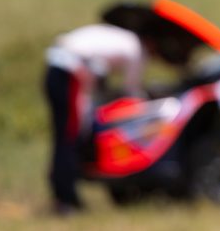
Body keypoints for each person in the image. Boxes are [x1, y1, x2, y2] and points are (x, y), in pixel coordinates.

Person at [44, 23, 146, 214]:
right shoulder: (135, 48)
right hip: (69, 72)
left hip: (56, 68)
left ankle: (67, 196)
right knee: (70, 137)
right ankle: (66, 200)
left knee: (65, 136)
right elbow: (132, 91)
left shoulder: (118, 37)